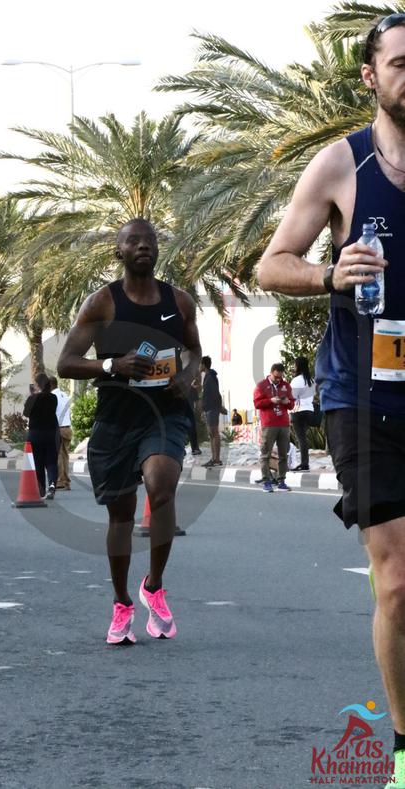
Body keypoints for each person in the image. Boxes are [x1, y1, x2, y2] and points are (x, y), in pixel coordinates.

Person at [257, 15, 405, 786]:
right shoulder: (343, 165)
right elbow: (271, 263)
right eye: (401, 64)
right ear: (371, 78)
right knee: (396, 578)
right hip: (360, 394)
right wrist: (329, 274)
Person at [57, 218, 202, 644]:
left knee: (161, 486)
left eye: (149, 240)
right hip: (117, 419)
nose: (143, 246)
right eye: (133, 241)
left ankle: (154, 586)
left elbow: (194, 350)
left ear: (158, 249)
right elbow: (66, 362)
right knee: (121, 515)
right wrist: (112, 365)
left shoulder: (180, 302)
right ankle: (122, 602)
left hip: (164, 414)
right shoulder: (102, 303)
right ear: (118, 252)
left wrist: (187, 376)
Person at [253, 364, 295, 493]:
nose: (278, 379)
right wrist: (270, 400)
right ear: (271, 373)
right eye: (276, 377)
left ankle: (281, 481)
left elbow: (292, 404)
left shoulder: (286, 385)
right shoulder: (261, 385)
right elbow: (257, 403)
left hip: (284, 424)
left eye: (280, 377)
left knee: (283, 454)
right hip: (269, 424)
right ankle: (266, 482)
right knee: (265, 454)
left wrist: (288, 402)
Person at [23, 373, 60, 499]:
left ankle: (42, 489)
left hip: (36, 434)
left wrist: (32, 396)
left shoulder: (32, 398)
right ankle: (52, 485)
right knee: (51, 461)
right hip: (51, 433)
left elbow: (26, 413)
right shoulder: (53, 398)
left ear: (38, 385)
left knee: (38, 462)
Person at [290, 357, 316, 472]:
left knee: (301, 439)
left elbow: (292, 397)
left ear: (298, 366)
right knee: (303, 438)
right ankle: (305, 463)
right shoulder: (311, 380)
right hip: (309, 411)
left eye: (295, 365)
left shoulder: (296, 380)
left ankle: (304, 464)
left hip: (298, 411)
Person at [49, 377, 72, 491]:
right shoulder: (64, 395)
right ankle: (66, 482)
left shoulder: (52, 397)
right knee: (65, 456)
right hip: (68, 429)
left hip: (58, 429)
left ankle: (60, 481)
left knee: (57, 455)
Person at [200, 356, 222, 468]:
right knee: (211, 434)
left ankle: (216, 459)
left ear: (203, 365)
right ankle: (214, 458)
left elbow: (215, 393)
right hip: (209, 408)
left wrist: (219, 407)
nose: (199, 367)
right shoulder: (208, 377)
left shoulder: (210, 377)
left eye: (200, 364)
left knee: (214, 433)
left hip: (212, 409)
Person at [187, 378, 202, 455]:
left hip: (179, 411)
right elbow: (197, 403)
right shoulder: (193, 389)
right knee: (192, 430)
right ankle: (195, 449)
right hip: (189, 411)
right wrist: (199, 414)